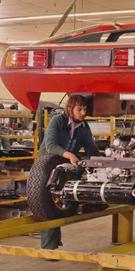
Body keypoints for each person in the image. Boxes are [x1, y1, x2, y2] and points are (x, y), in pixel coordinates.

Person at [38, 94, 100, 251]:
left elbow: (91, 149)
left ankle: (54, 243)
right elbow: (50, 145)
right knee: (49, 207)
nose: (83, 113)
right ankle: (48, 247)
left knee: (61, 202)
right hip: (47, 165)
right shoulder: (57, 121)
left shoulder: (84, 127)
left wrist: (104, 162)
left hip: (65, 165)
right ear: (69, 109)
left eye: (85, 109)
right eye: (79, 109)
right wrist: (70, 155)